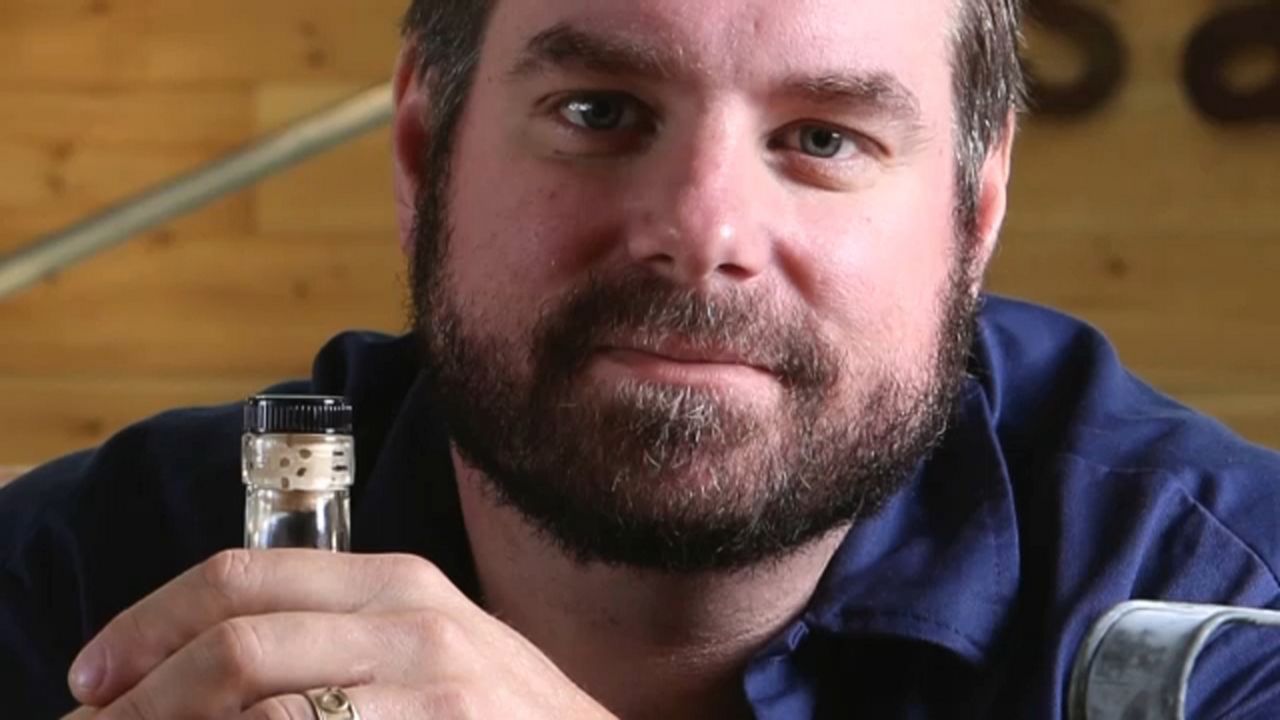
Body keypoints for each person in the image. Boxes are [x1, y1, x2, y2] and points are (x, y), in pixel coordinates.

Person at [3, 0, 1279, 717]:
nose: (699, 232)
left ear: (974, 209)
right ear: (422, 154)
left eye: (821, 138)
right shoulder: (75, 578)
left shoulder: (1226, 604)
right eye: (597, 112)